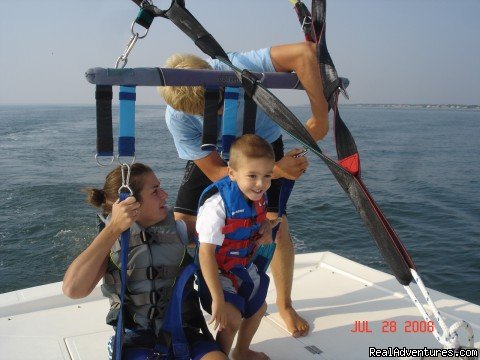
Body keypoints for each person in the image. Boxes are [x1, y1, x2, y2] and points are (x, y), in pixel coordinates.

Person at [158, 42, 329, 337]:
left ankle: (284, 304)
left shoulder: (234, 66)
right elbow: (215, 173)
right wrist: (278, 171)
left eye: (219, 101)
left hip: (263, 145)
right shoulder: (177, 118)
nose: (218, 112)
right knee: (181, 226)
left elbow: (305, 53)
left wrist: (321, 117)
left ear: (215, 74)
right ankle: (187, 297)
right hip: (216, 156)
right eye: (204, 114)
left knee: (276, 224)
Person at [62, 163, 227, 360]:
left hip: (184, 332)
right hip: (137, 337)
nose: (165, 195)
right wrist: (113, 229)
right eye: (155, 190)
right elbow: (73, 289)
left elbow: (228, 231)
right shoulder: (109, 243)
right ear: (130, 202)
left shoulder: (180, 229)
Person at [196, 134, 276, 360]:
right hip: (216, 272)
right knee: (230, 318)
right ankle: (220, 355)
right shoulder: (217, 206)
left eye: (267, 176)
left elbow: (260, 219)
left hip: (242, 266)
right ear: (232, 173)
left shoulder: (256, 194)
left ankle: (241, 351)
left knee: (259, 308)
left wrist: (267, 227)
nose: (261, 184)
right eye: (252, 176)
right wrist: (217, 299)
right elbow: (205, 254)